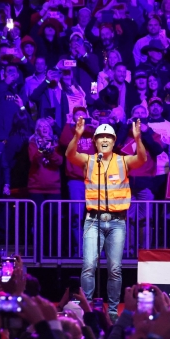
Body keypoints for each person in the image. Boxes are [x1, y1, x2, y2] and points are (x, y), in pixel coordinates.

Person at [65, 117, 146, 320]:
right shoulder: (89, 160)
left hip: (118, 222)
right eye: (100, 136)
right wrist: (77, 135)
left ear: (113, 140)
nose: (104, 139)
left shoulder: (123, 161)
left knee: (115, 269)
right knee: (89, 266)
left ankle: (111, 311)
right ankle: (86, 310)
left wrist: (138, 139)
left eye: (108, 137)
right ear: (94, 141)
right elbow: (69, 155)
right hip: (93, 220)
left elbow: (142, 159)